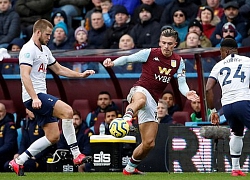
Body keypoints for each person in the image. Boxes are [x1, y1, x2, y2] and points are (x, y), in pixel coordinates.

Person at [103, 28, 199, 175]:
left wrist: (188, 93)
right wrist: (113, 63)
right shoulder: (149, 53)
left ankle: (129, 168)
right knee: (141, 100)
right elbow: (128, 58)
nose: (166, 46)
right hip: (140, 89)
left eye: (169, 44)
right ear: (160, 42)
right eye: (163, 43)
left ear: (175, 44)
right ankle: (127, 118)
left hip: (154, 100)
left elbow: (182, 83)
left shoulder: (179, 61)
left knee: (149, 143)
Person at [8, 19, 95, 176]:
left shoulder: (45, 50)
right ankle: (76, 155)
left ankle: (18, 161)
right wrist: (34, 97)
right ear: (38, 32)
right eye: (48, 34)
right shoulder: (28, 50)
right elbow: (24, 75)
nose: (50, 37)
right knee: (68, 112)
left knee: (53, 136)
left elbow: (59, 69)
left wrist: (80, 74)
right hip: (34, 96)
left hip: (39, 97)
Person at [206, 38, 248, 176]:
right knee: (237, 134)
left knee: (237, 133)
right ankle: (236, 168)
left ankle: (235, 169)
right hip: (243, 101)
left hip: (227, 106)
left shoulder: (218, 65)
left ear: (227, 51)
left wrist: (213, 111)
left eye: (221, 52)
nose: (220, 55)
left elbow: (208, 89)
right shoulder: (247, 61)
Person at [0, 103, 18, 172]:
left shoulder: (9, 125)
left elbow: (9, 145)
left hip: (6, 156)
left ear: (5, 112)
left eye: (0, 111)